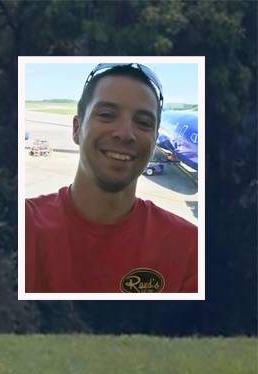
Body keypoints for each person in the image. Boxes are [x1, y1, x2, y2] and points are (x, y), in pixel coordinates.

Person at [25, 63, 197, 293]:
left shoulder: (189, 248)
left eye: (143, 123)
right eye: (107, 115)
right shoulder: (23, 227)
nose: (125, 133)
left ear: (155, 139)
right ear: (77, 129)